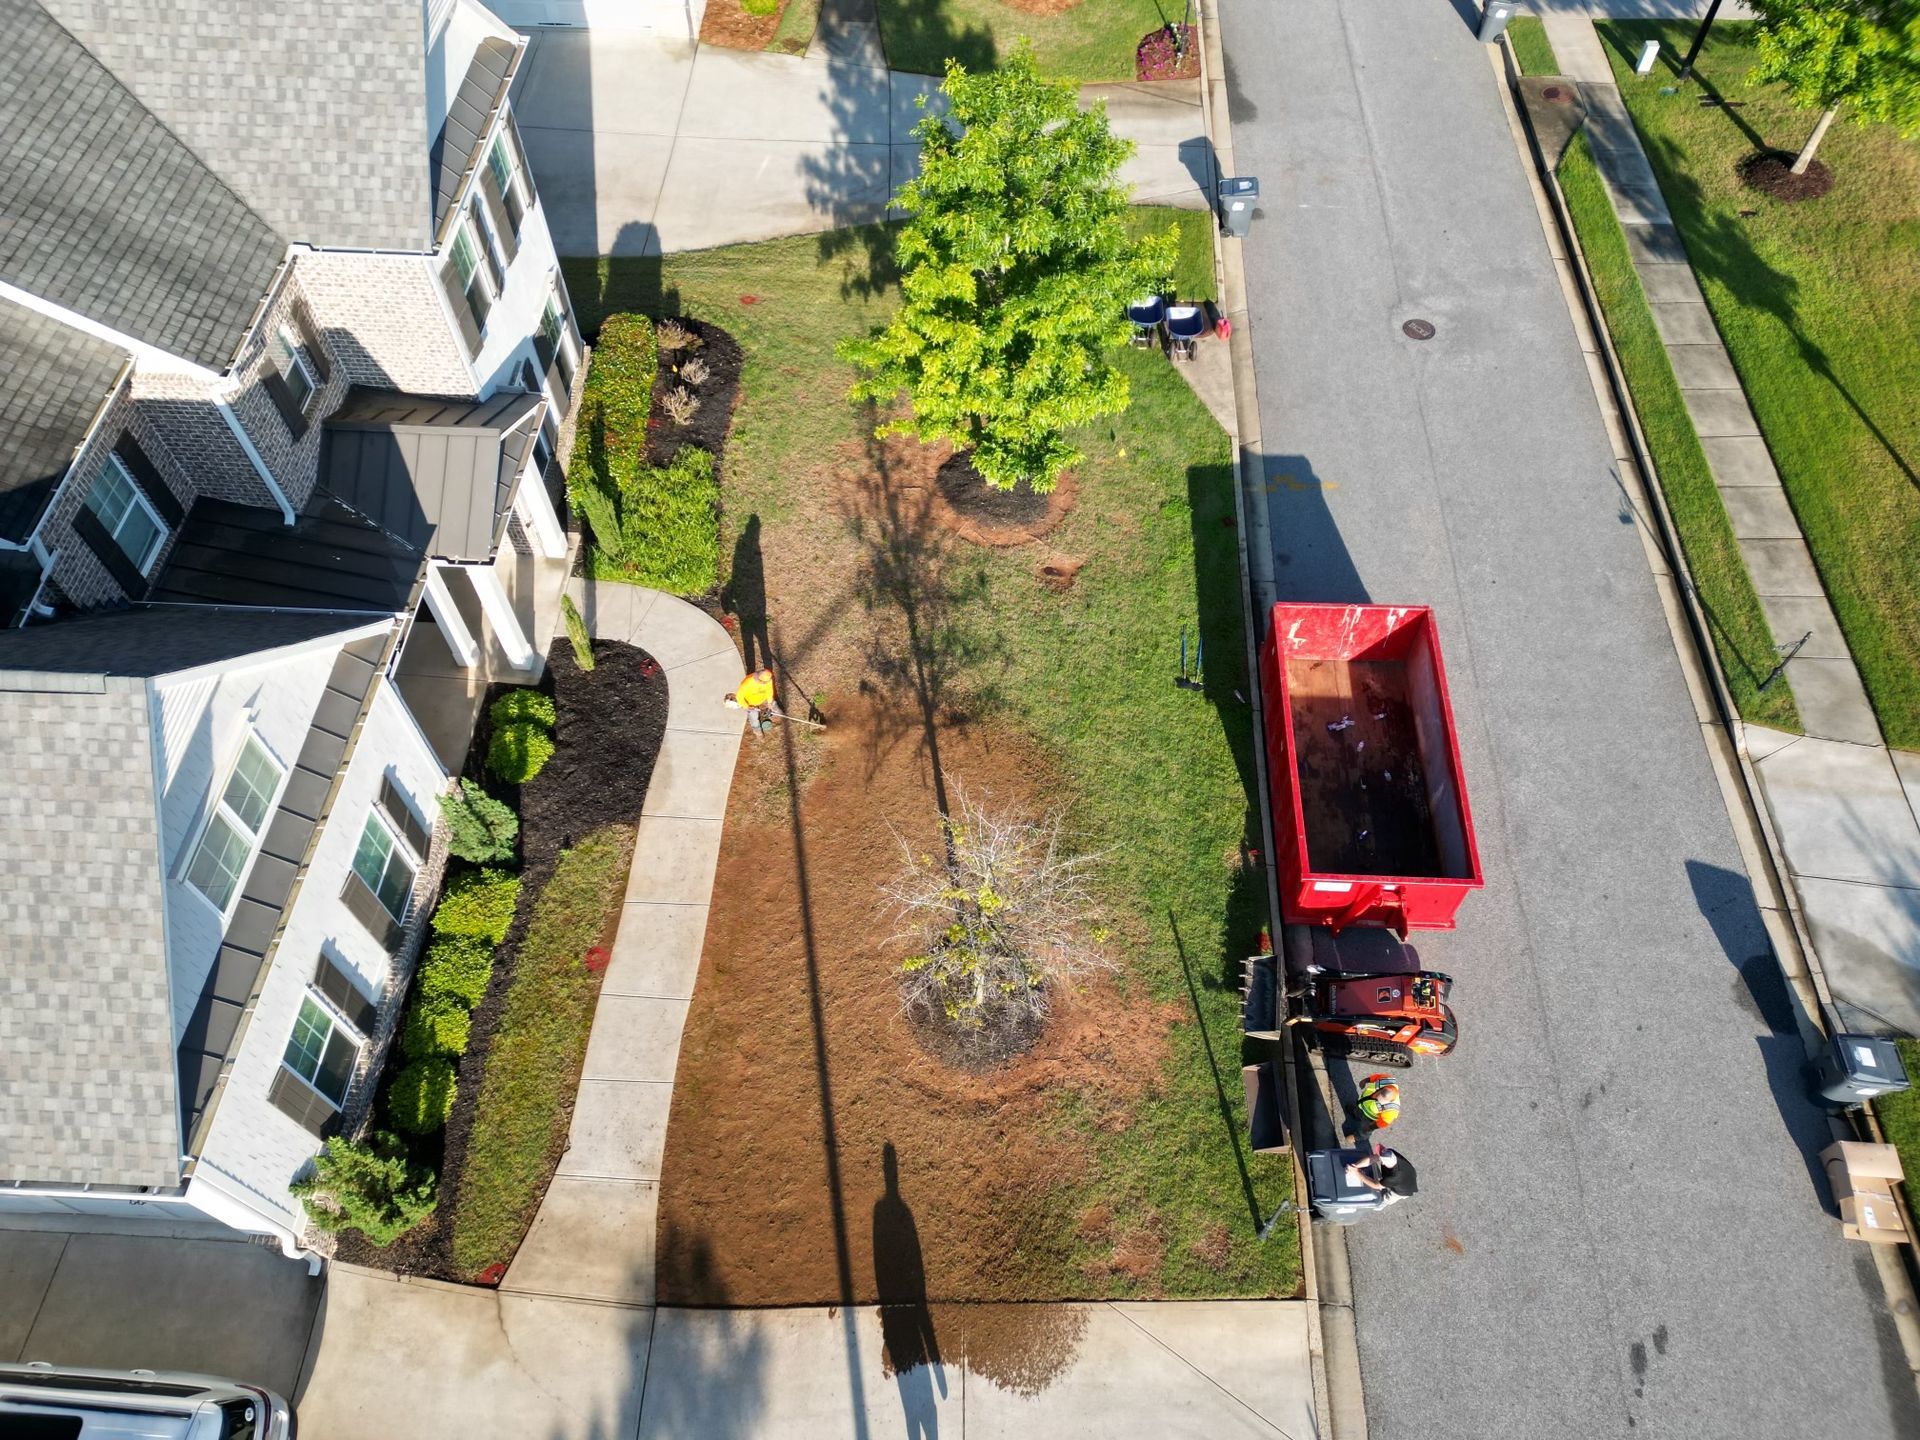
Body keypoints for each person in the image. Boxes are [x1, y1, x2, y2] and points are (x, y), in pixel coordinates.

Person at [1345, 1145, 1418, 1204]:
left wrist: (1357, 1173)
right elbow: (1372, 1158)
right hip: (1408, 1174)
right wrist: (1355, 1166)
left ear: (1383, 1162)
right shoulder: (1390, 1153)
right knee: (1385, 1182)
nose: (1378, 1154)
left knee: (1387, 1198)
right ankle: (1385, 1185)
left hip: (1403, 1190)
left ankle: (1379, 1204)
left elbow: (1375, 1185)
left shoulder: (1395, 1176)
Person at [724, 667, 777, 737]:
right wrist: (747, 706)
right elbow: (739, 697)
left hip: (762, 697)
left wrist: (769, 702)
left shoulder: (768, 680)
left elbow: (769, 691)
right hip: (750, 702)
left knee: (773, 704)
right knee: (754, 717)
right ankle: (757, 730)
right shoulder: (747, 682)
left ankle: (777, 715)